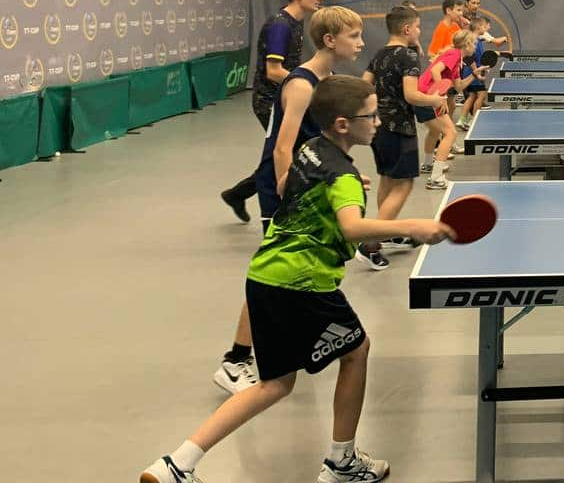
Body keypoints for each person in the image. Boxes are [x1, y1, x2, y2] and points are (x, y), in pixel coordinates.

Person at [141, 76, 455, 483]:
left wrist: (336, 189)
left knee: (274, 384)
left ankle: (176, 464)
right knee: (356, 351)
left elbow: (288, 183)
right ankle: (342, 462)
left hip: (265, 274)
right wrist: (416, 226)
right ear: (343, 124)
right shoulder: (341, 174)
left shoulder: (311, 150)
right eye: (370, 116)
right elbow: (351, 230)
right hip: (303, 283)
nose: (377, 122)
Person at [214, 6, 365, 396]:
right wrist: (285, 185)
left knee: (284, 268)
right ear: (330, 40)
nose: (361, 43)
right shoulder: (302, 84)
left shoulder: (329, 80)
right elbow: (283, 146)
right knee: (271, 268)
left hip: (306, 180)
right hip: (280, 185)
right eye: (354, 36)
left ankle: (266, 349)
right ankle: (235, 360)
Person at [220, 0, 323, 222]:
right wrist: (305, 85)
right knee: (283, 153)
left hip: (285, 98)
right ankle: (272, 209)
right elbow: (274, 71)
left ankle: (238, 194)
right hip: (269, 101)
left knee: (288, 153)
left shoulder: (296, 23)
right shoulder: (280, 25)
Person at [355, 4, 447, 270]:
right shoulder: (407, 56)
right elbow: (411, 95)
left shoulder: (380, 54)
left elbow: (364, 84)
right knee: (404, 184)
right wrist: (435, 99)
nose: (419, 31)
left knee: (388, 178)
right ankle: (370, 243)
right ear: (407, 29)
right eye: (417, 27)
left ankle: (385, 233)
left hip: (378, 126)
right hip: (399, 128)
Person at [419, 29, 486, 189]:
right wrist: (440, 94)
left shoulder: (457, 60)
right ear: (467, 44)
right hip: (429, 95)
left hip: (422, 93)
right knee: (451, 133)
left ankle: (428, 165)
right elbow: (435, 71)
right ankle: (436, 178)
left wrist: (474, 75)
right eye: (474, 43)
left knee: (435, 131)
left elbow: (459, 86)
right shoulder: (454, 54)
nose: (476, 46)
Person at [458, 14, 494, 130]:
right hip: (473, 74)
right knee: (481, 95)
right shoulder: (475, 42)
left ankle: (462, 119)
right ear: (479, 28)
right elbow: (471, 59)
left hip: (467, 73)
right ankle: (473, 121)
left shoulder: (475, 39)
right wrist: (477, 73)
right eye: (485, 27)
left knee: (472, 96)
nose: (487, 29)